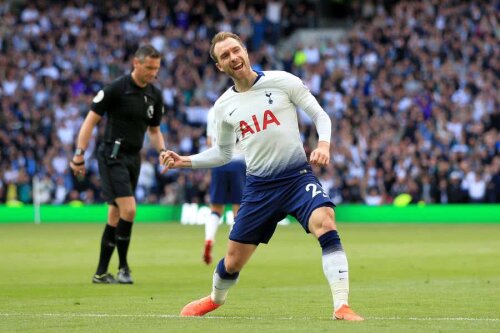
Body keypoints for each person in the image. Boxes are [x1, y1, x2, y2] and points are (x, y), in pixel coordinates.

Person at [161, 32, 363, 321]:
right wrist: (186, 161)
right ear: (220, 66)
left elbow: (320, 115)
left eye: (235, 50)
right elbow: (223, 153)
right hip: (259, 188)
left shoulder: (284, 81)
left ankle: (341, 306)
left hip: (296, 178)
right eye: (225, 56)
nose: (233, 57)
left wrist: (323, 144)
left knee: (326, 221)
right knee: (232, 262)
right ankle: (215, 299)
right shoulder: (223, 107)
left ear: (245, 50)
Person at [70, 45, 167, 284]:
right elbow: (90, 122)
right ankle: (124, 268)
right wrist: (79, 155)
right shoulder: (116, 89)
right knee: (130, 210)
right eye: (149, 67)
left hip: (134, 158)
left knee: (115, 214)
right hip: (112, 156)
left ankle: (101, 273)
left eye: (156, 68)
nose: (153, 73)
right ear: (136, 63)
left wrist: (163, 151)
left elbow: (154, 131)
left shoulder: (155, 94)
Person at [203, 106, 246, 265]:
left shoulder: (212, 111)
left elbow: (209, 142)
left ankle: (209, 239)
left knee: (215, 208)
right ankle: (232, 248)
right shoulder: (241, 106)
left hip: (218, 162)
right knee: (238, 209)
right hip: (238, 162)